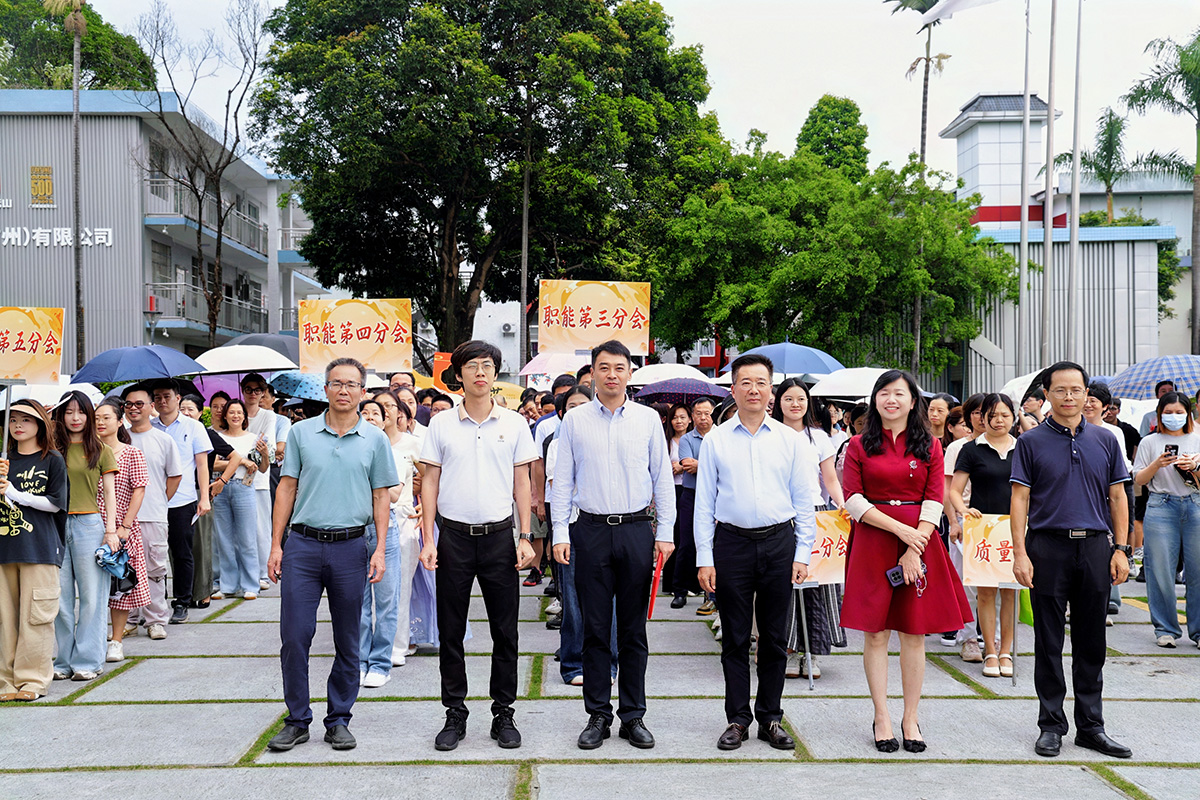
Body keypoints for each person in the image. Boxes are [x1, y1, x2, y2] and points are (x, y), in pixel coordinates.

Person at [266, 357, 397, 753]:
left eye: (352, 384)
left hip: (351, 547)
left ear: (362, 391)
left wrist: (378, 551)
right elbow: (286, 489)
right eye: (336, 383)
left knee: (348, 639)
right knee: (294, 635)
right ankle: (297, 719)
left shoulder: (374, 439)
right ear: (325, 390)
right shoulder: (302, 433)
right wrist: (276, 544)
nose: (343, 390)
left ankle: (339, 718)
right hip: (302, 546)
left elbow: (381, 497)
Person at [551, 339, 675, 751]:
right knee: (595, 628)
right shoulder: (575, 421)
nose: (612, 374)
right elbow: (563, 481)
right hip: (589, 530)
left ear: (629, 373)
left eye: (619, 367)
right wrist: (561, 533)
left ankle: (633, 715)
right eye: (604, 367)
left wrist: (665, 532)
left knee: (634, 630)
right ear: (593, 372)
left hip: (637, 530)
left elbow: (662, 480)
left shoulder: (646, 420)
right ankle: (598, 715)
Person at [841, 370, 972, 754]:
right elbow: (853, 499)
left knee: (914, 632)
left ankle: (910, 716)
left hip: (921, 539)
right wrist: (902, 533)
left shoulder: (930, 445)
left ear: (913, 401)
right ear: (875, 399)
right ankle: (882, 715)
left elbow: (935, 498)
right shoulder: (858, 445)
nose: (891, 400)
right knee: (877, 632)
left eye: (899, 394)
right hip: (874, 539)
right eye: (884, 393)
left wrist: (915, 546)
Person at [1009, 361, 1133, 760]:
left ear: (1086, 394)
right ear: (1047, 394)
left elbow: (1118, 497)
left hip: (1096, 548)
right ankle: (1051, 725)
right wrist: (1020, 554)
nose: (1068, 397)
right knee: (1047, 641)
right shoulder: (1030, 442)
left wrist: (1122, 549)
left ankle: (1091, 727)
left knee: (1091, 641)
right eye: (1060, 390)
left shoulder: (1106, 440)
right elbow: (1020, 500)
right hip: (1047, 547)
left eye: (1076, 390)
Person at [419, 340, 537, 751]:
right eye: (472, 366)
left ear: (496, 373)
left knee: (506, 631)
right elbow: (429, 481)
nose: (480, 373)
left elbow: (523, 481)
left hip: (500, 538)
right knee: (450, 630)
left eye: (488, 365)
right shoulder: (441, 424)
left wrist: (525, 535)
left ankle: (503, 712)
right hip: (452, 538)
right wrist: (428, 538)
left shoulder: (514, 424)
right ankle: (455, 712)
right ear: (459, 375)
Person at [694, 354, 816, 751]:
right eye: (745, 382)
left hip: (780, 543)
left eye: (761, 383)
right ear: (733, 389)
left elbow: (803, 501)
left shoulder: (790, 440)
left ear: (771, 391)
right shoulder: (716, 440)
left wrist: (802, 553)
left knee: (775, 638)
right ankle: (737, 718)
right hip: (731, 544)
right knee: (733, 637)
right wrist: (704, 557)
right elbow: (704, 506)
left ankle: (770, 717)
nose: (753, 390)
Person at [773, 378, 846, 680]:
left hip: (816, 516)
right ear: (778, 403)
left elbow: (829, 480)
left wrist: (841, 507)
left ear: (808, 402)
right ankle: (787, 651)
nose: (795, 404)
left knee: (817, 587)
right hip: (778, 516)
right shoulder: (768, 434)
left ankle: (812, 654)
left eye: (800, 399)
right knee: (784, 587)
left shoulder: (818, 437)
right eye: (788, 399)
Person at [0, 399, 68, 701]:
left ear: (40, 424)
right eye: (12, 419)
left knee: (35, 616)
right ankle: (6, 681)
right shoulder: (3, 459)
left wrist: (16, 493)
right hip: (4, 547)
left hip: (39, 547)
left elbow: (55, 502)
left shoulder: (52, 459)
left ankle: (33, 681)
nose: (17, 425)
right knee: (5, 618)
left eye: (25, 420)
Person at [49, 391, 118, 682]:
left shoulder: (100, 449)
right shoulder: (50, 450)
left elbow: (110, 493)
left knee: (93, 597)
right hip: (54, 524)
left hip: (90, 524)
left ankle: (88, 660)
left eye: (81, 412)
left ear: (89, 415)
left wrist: (112, 531)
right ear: (60, 415)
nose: (75, 418)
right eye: (68, 412)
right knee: (60, 598)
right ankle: (63, 660)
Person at [948, 393, 1018, 678]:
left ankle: (1006, 651)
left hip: (1015, 528)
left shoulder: (1024, 448)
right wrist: (963, 510)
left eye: (1004, 415)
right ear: (981, 418)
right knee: (986, 593)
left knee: (1010, 593)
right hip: (983, 528)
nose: (998, 420)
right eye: (992, 415)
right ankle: (989, 650)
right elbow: (954, 489)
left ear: (1013, 417)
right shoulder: (971, 449)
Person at [1132, 391, 1200, 648]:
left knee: (1197, 571)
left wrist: (1193, 467)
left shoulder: (1198, 437)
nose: (1174, 417)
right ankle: (1165, 628)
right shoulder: (1150, 442)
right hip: (1160, 505)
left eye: (1179, 412)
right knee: (1160, 570)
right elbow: (1138, 479)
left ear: (1188, 413)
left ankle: (1198, 630)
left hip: (1195, 503)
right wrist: (1158, 464)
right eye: (1168, 413)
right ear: (1159, 414)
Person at [123, 386, 183, 641]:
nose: (133, 408)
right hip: (122, 518)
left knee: (155, 569)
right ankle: (127, 619)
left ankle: (156, 619)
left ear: (151, 406)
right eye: (128, 404)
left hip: (153, 515)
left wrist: (158, 500)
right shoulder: (119, 439)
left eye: (139, 403)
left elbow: (175, 475)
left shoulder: (163, 439)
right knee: (123, 569)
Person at [149, 379, 212, 624]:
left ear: (178, 398)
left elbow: (201, 464)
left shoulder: (193, 427)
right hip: (153, 500)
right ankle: (155, 602)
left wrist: (203, 497)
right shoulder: (148, 427)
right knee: (153, 553)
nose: (162, 401)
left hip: (182, 499)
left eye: (167, 396)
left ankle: (182, 601)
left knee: (182, 552)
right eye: (158, 397)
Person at [370, 390, 424, 667]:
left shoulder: (412, 444)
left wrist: (426, 506)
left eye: (390, 406)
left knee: (400, 588)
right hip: (366, 522)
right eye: (378, 406)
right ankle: (370, 645)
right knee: (369, 590)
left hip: (402, 519)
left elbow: (433, 478)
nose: (385, 411)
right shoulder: (363, 443)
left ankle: (396, 646)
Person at [94, 400, 149, 665]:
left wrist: (124, 526)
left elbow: (139, 489)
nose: (100, 422)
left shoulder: (131, 453)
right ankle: (94, 639)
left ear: (119, 422)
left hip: (121, 528)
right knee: (93, 587)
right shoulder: (87, 453)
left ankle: (116, 640)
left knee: (120, 587)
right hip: (90, 525)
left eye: (106, 417)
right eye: (96, 418)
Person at [1083, 382, 1136, 622]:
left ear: (1105, 408)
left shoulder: (1112, 433)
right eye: (1087, 398)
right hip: (1084, 496)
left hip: (1111, 494)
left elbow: (1122, 470)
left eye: (1094, 401)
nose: (1088, 404)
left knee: (1110, 547)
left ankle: (1105, 602)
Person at [942, 392, 987, 663]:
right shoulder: (957, 448)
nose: (984, 417)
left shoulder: (1012, 445)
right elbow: (947, 490)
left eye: (989, 411)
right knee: (965, 582)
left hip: (997, 524)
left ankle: (993, 639)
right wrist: (952, 522)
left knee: (993, 584)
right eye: (978, 412)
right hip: (965, 522)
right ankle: (969, 636)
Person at [210, 400, 262, 602]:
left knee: (247, 538)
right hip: (220, 487)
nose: (235, 416)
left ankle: (251, 584)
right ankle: (228, 585)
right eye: (231, 412)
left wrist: (263, 455)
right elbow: (212, 464)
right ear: (224, 415)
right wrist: (239, 459)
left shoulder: (253, 438)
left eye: (239, 412)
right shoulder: (217, 437)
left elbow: (259, 466)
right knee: (223, 539)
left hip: (244, 486)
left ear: (244, 417)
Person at [241, 373, 283, 593]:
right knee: (239, 530)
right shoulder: (235, 410)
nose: (253, 394)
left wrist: (243, 448)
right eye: (248, 389)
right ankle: (242, 574)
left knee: (261, 527)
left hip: (260, 476)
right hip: (236, 476)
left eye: (258, 390)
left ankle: (262, 572)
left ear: (264, 392)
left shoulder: (268, 416)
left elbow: (266, 444)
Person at [673, 396, 715, 609]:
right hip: (691, 494)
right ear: (692, 416)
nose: (703, 418)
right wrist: (709, 465)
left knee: (715, 544)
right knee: (686, 543)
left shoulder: (720, 436)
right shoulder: (687, 439)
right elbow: (687, 465)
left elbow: (723, 467)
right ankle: (679, 591)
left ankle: (712, 596)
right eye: (698, 413)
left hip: (716, 495)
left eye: (707, 413)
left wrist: (703, 465)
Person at [661, 402, 692, 600]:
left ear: (690, 419)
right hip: (670, 490)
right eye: (675, 417)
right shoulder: (666, 441)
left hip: (688, 489)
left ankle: (688, 582)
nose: (678, 421)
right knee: (671, 535)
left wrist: (682, 466)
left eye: (682, 417)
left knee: (686, 537)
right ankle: (671, 582)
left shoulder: (694, 440)